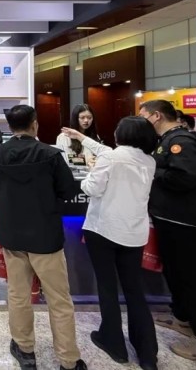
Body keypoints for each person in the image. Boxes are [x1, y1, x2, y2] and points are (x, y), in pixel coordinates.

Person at [0, 105, 87, 370]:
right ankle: (68, 359)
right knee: (59, 298)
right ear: (34, 124)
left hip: (12, 236)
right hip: (46, 236)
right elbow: (68, 191)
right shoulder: (51, 155)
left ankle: (25, 350)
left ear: (10, 127)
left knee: (18, 294)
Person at [63, 117, 159, 370]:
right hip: (134, 233)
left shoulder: (111, 158)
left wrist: (91, 172)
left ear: (122, 134)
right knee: (134, 290)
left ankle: (113, 342)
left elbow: (91, 189)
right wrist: (82, 138)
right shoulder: (148, 161)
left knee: (107, 286)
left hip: (104, 229)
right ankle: (147, 354)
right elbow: (108, 152)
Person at [139, 100, 196, 362]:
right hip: (173, 220)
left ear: (156, 116)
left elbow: (186, 177)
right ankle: (182, 318)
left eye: (144, 116)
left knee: (189, 279)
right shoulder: (169, 140)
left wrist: (153, 169)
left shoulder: (181, 142)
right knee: (176, 274)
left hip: (186, 223)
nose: (142, 122)